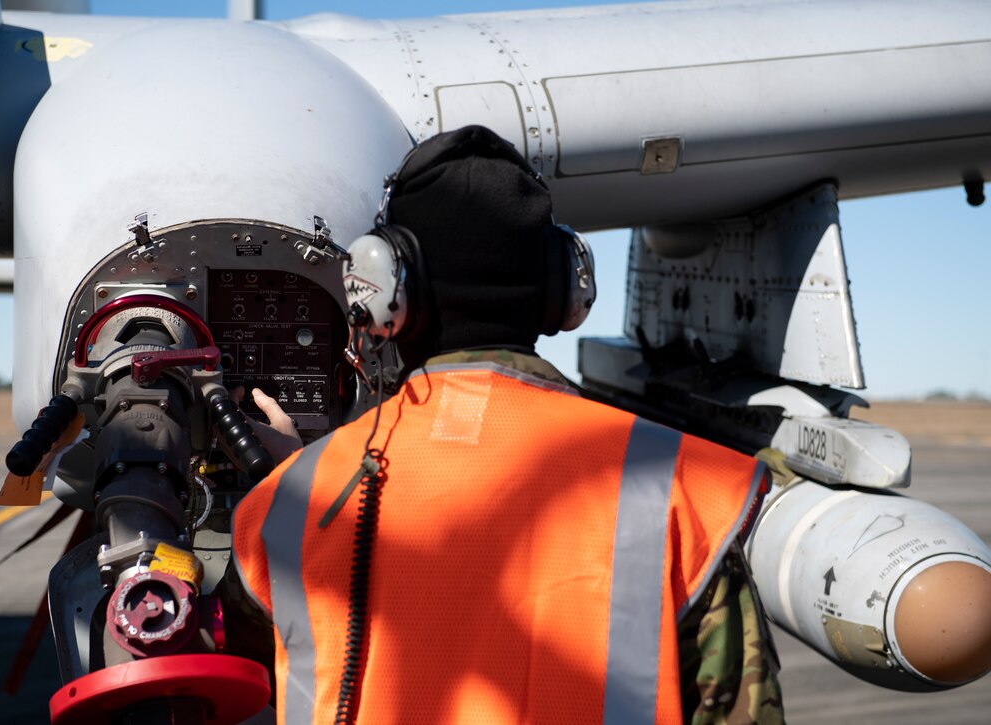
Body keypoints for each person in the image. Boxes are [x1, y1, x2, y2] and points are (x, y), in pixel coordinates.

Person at [220, 125, 784, 724]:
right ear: (562, 286)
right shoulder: (677, 491)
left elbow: (225, 678)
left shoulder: (285, 510)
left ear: (384, 291)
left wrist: (299, 476)